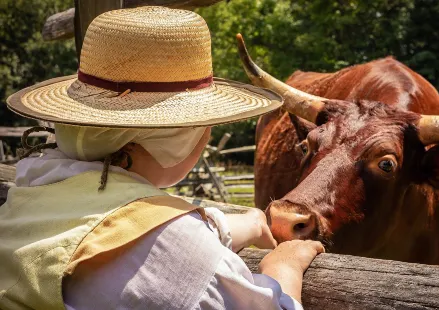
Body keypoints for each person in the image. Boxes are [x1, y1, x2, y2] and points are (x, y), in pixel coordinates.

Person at [0, 6, 324, 310]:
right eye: (206, 125)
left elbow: (110, 227)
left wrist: (235, 224)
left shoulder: (35, 182)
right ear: (181, 138)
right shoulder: (181, 249)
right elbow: (169, 250)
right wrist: (284, 267)